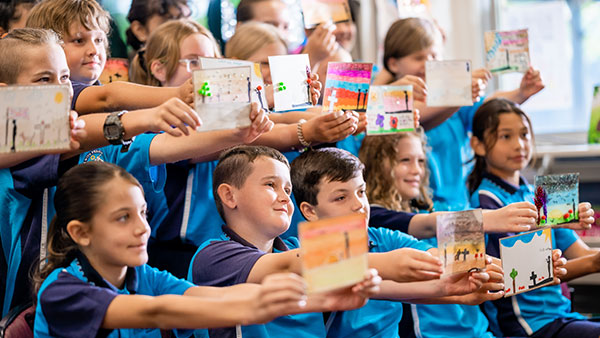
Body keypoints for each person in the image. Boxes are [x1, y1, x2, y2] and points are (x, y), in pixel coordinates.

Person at [33, 161, 311, 337]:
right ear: (81, 233)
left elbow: (210, 298)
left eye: (143, 213)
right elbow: (157, 311)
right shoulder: (61, 291)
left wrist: (308, 297)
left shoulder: (143, 275)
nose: (143, 228)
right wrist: (266, 302)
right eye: (122, 218)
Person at [378, 17, 544, 212]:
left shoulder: (455, 105)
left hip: (460, 206)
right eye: (418, 58)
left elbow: (487, 107)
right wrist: (459, 92)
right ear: (394, 64)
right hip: (414, 210)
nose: (428, 64)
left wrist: (520, 93)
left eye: (434, 56)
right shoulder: (383, 106)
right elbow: (415, 114)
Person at [468, 98, 599, 338]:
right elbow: (515, 273)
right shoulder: (485, 202)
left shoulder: (541, 194)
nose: (519, 145)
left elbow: (581, 254)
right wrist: (594, 263)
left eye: (525, 135)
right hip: (528, 326)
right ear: (477, 145)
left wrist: (594, 260)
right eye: (506, 136)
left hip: (563, 315)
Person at [25, 0, 198, 115]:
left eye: (99, 40)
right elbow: (109, 97)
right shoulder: (61, 94)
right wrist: (178, 93)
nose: (94, 49)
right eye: (79, 40)